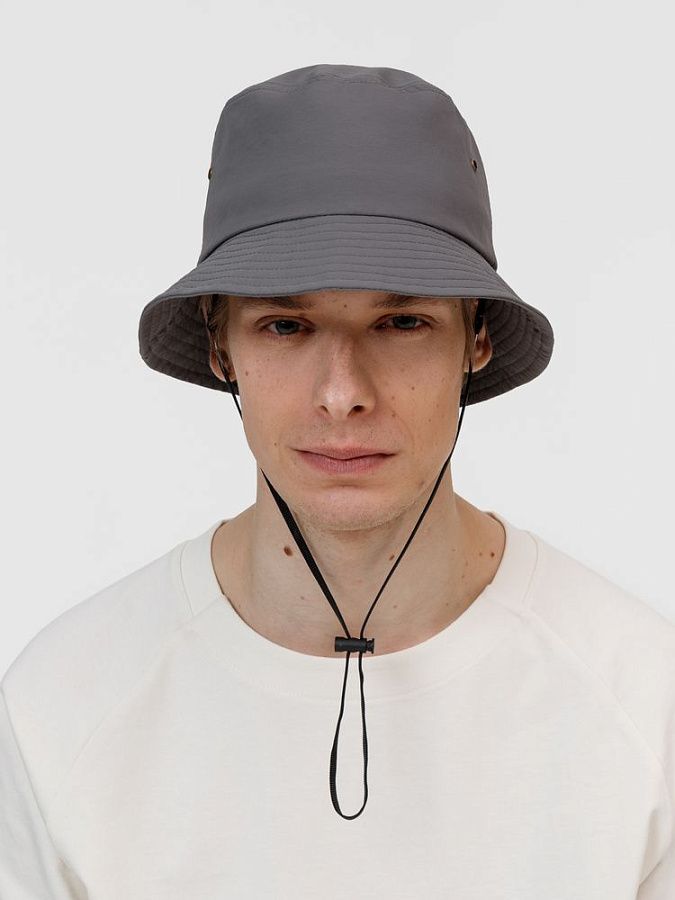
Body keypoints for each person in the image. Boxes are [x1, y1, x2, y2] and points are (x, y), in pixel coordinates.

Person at [1, 64, 674, 899]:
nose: (342, 393)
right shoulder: (64, 706)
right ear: (220, 347)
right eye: (286, 325)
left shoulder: (641, 700)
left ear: (476, 341)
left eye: (402, 322)